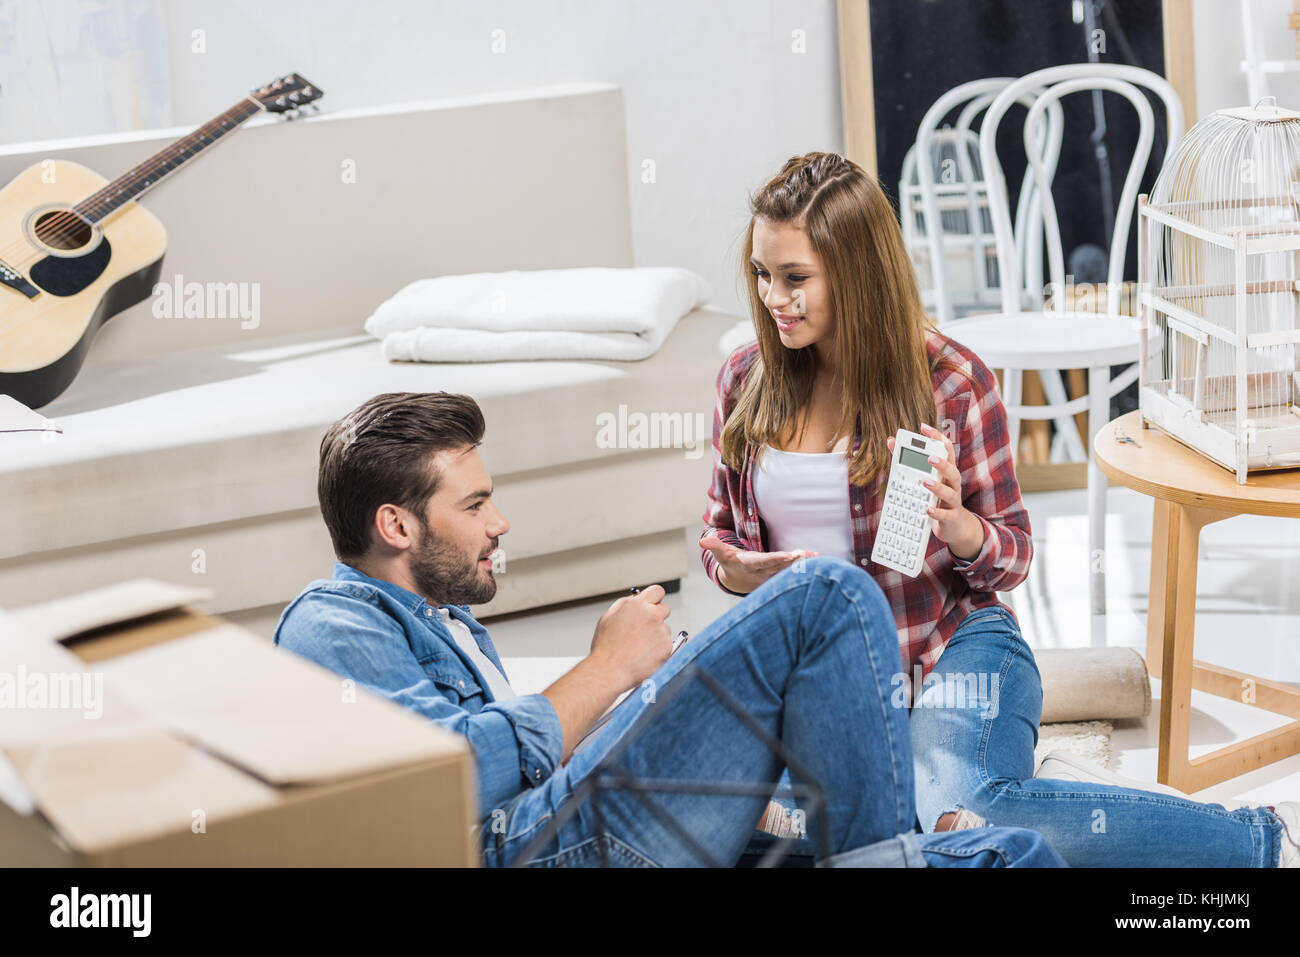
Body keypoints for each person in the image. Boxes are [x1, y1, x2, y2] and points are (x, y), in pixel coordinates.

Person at [699, 151, 1299, 867]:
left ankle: (1263, 840)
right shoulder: (745, 381)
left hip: (950, 647)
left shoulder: (951, 381)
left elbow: (1012, 554)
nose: (773, 297)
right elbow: (720, 541)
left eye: (796, 278)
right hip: (819, 681)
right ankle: (1053, 790)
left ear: (856, 276)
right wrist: (742, 573)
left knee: (962, 812)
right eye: (762, 275)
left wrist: (958, 527)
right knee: (753, 819)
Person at [274, 390, 1064, 867]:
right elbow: (451, 783)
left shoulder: (445, 622)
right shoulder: (330, 622)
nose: (501, 522)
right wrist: (607, 669)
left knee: (1010, 854)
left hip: (572, 829)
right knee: (827, 593)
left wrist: (665, 706)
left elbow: (524, 763)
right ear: (396, 525)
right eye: (475, 504)